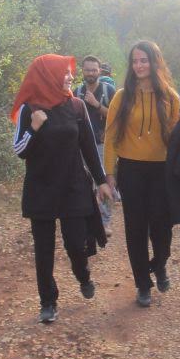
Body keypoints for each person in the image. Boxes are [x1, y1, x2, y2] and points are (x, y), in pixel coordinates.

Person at [10, 54, 113, 323]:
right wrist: (34, 128)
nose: (70, 77)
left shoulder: (76, 106)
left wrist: (102, 181)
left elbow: (88, 147)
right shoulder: (29, 109)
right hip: (41, 188)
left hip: (73, 186)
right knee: (43, 249)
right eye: (64, 72)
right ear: (48, 75)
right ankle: (48, 302)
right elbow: (19, 150)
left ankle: (83, 275)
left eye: (70, 73)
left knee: (76, 244)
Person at [103, 40, 180, 307]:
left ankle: (160, 263)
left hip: (162, 171)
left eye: (144, 60)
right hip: (131, 170)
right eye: (135, 61)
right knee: (136, 229)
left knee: (162, 227)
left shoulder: (170, 97)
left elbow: (175, 139)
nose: (139, 66)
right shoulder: (122, 97)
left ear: (155, 62)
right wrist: (109, 173)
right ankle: (143, 284)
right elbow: (111, 137)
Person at [74, 55, 117, 236]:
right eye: (87, 70)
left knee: (104, 181)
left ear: (100, 71)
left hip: (102, 145)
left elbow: (116, 117)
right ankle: (88, 220)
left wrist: (96, 104)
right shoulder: (76, 92)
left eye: (94, 70)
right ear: (82, 71)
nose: (90, 73)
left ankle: (105, 222)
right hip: (80, 146)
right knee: (83, 182)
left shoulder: (109, 90)